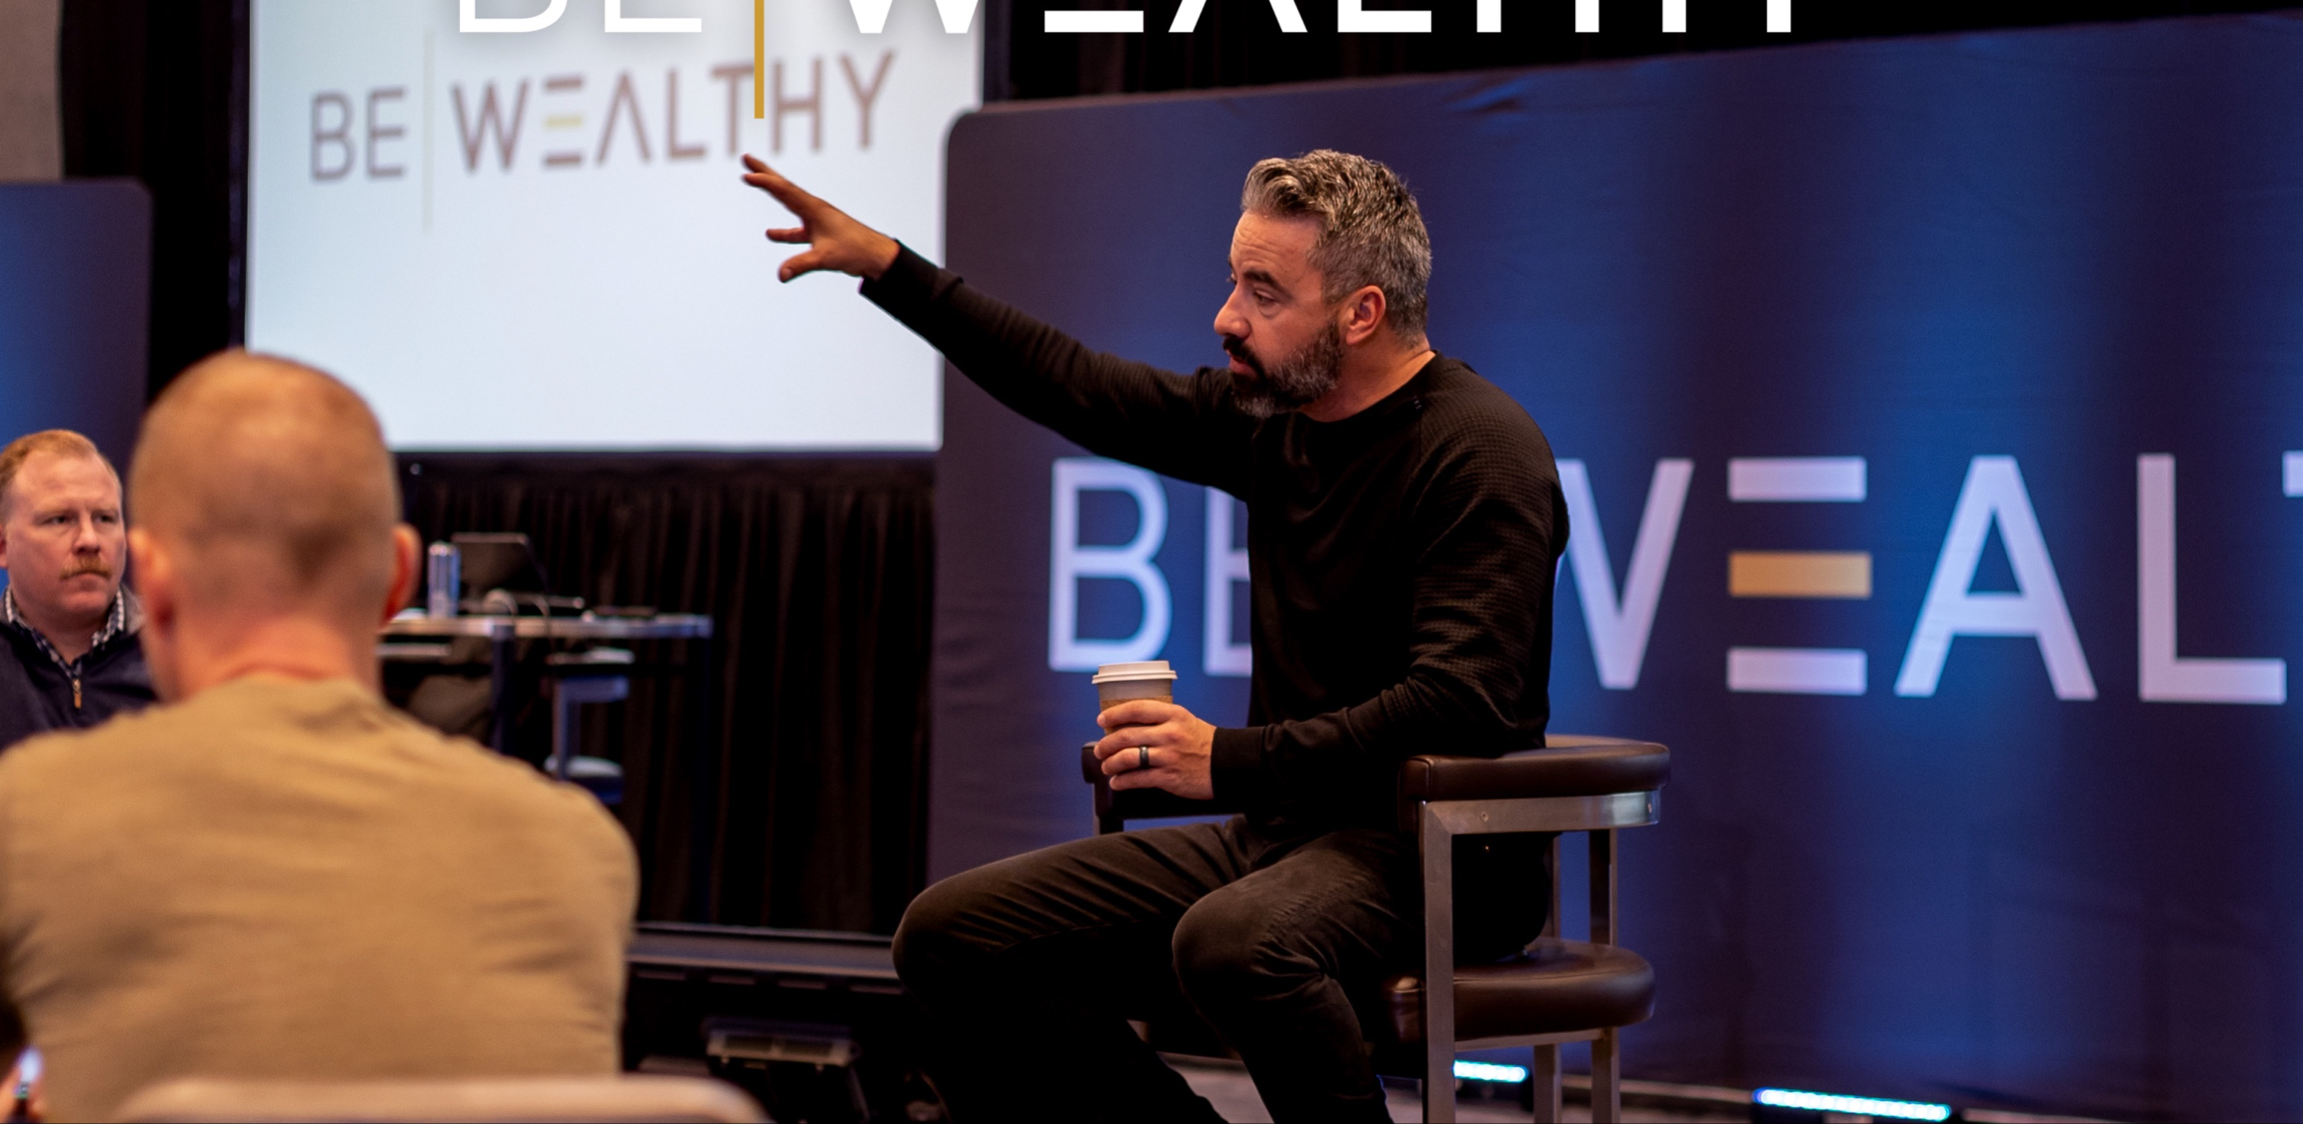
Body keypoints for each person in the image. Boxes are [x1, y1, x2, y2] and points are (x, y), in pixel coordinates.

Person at [742, 149, 1566, 1122]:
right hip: (1287, 837)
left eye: (1262, 292)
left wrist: (1228, 760)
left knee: (1234, 942)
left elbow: (1458, 704)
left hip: (1442, 858)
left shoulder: (1479, 450)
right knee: (950, 937)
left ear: (1360, 314)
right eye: (1233, 281)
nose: (1226, 316)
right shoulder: (1277, 424)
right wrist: (889, 266)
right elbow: (1076, 385)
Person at [0, 353, 637, 1123]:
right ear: (399, 580)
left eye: (104, 520)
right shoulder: (579, 855)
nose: (87, 540)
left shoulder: (26, 821)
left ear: (155, 580)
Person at [0, 430, 156, 752]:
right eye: (60, 519)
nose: (90, 540)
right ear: (3, 545)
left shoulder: (179, 652)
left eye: (104, 518)